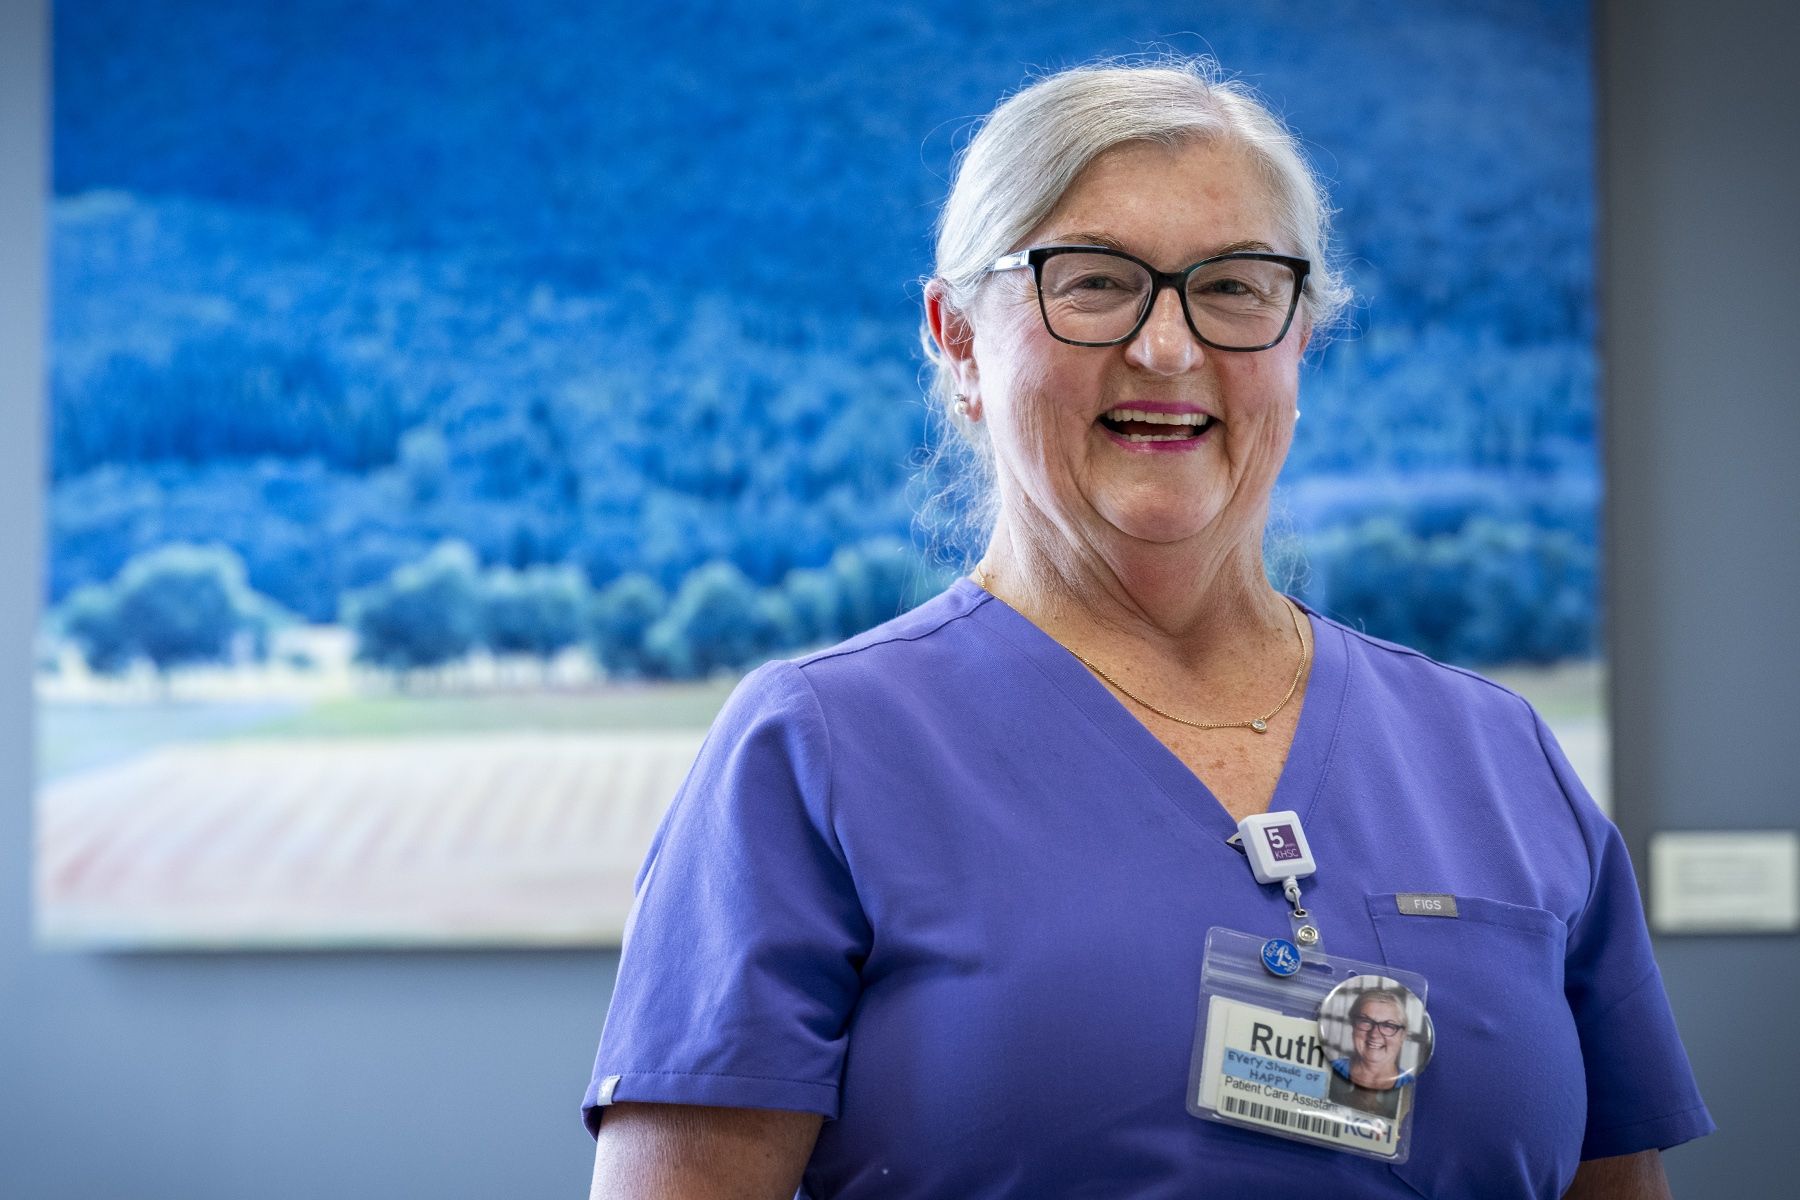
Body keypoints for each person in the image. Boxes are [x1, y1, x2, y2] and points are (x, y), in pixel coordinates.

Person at [585, 58, 1712, 1199]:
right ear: (959, 339)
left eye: (1234, 286)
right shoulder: (816, 752)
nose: (1168, 348)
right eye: (1092, 282)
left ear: (1299, 339)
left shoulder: (1500, 758)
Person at [1327, 989, 1415, 1119]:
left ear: (1403, 1035)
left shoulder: (1409, 1085)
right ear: (1353, 1026)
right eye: (1366, 1021)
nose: (1374, 1034)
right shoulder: (1328, 1068)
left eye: (1388, 1026)